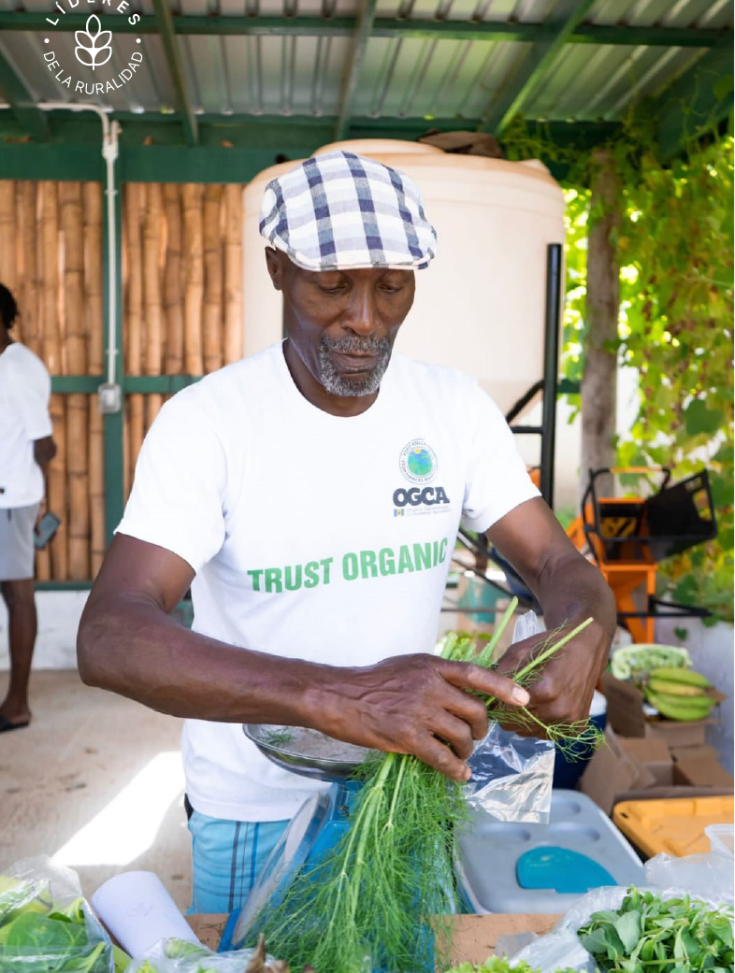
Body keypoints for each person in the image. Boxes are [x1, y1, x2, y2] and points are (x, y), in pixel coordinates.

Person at [78, 151, 616, 912]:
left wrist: (587, 626)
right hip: (255, 808)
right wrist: (337, 695)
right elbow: (109, 635)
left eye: (390, 287)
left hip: (406, 794)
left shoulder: (452, 409)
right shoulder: (209, 423)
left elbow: (557, 561)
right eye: (333, 286)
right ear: (276, 269)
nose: (364, 318)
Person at [0, 283, 56, 733]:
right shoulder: (9, 364)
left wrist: (40, 498)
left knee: (18, 598)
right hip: (12, 497)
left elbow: (45, 445)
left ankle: (17, 703)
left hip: (11, 500)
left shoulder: (16, 370)